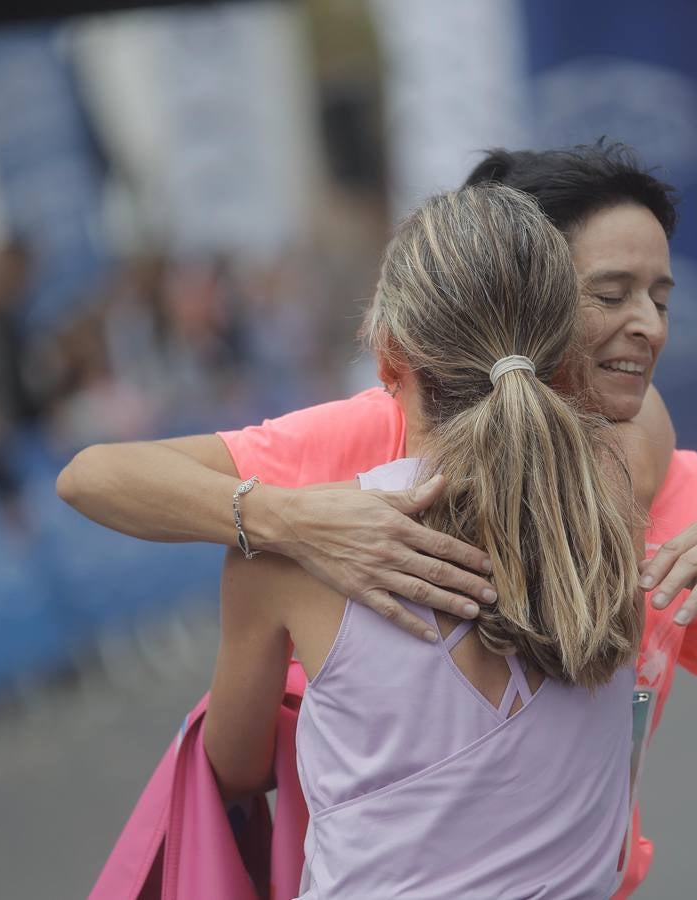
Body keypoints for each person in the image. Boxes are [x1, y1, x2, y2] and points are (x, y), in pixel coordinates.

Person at [57, 142, 697, 896]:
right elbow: (94, 475)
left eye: (661, 297)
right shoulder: (372, 430)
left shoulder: (653, 491)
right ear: (536, 299)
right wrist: (289, 519)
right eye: (612, 294)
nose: (650, 326)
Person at [204, 183, 649, 897]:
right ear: (564, 356)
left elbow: (233, 765)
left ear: (387, 359)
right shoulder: (607, 516)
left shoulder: (285, 558)